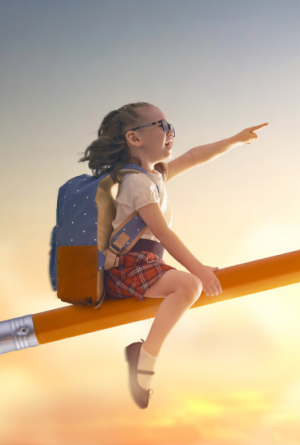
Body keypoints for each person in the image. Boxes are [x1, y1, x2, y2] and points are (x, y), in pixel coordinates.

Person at [79, 102, 267, 409]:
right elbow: (163, 232)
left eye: (170, 126)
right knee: (189, 286)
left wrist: (235, 139)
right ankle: (144, 360)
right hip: (129, 266)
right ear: (134, 139)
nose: (170, 133)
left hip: (147, 263)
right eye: (161, 127)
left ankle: (143, 357)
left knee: (188, 285)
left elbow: (194, 156)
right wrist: (200, 271)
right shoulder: (137, 184)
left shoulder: (153, 177)